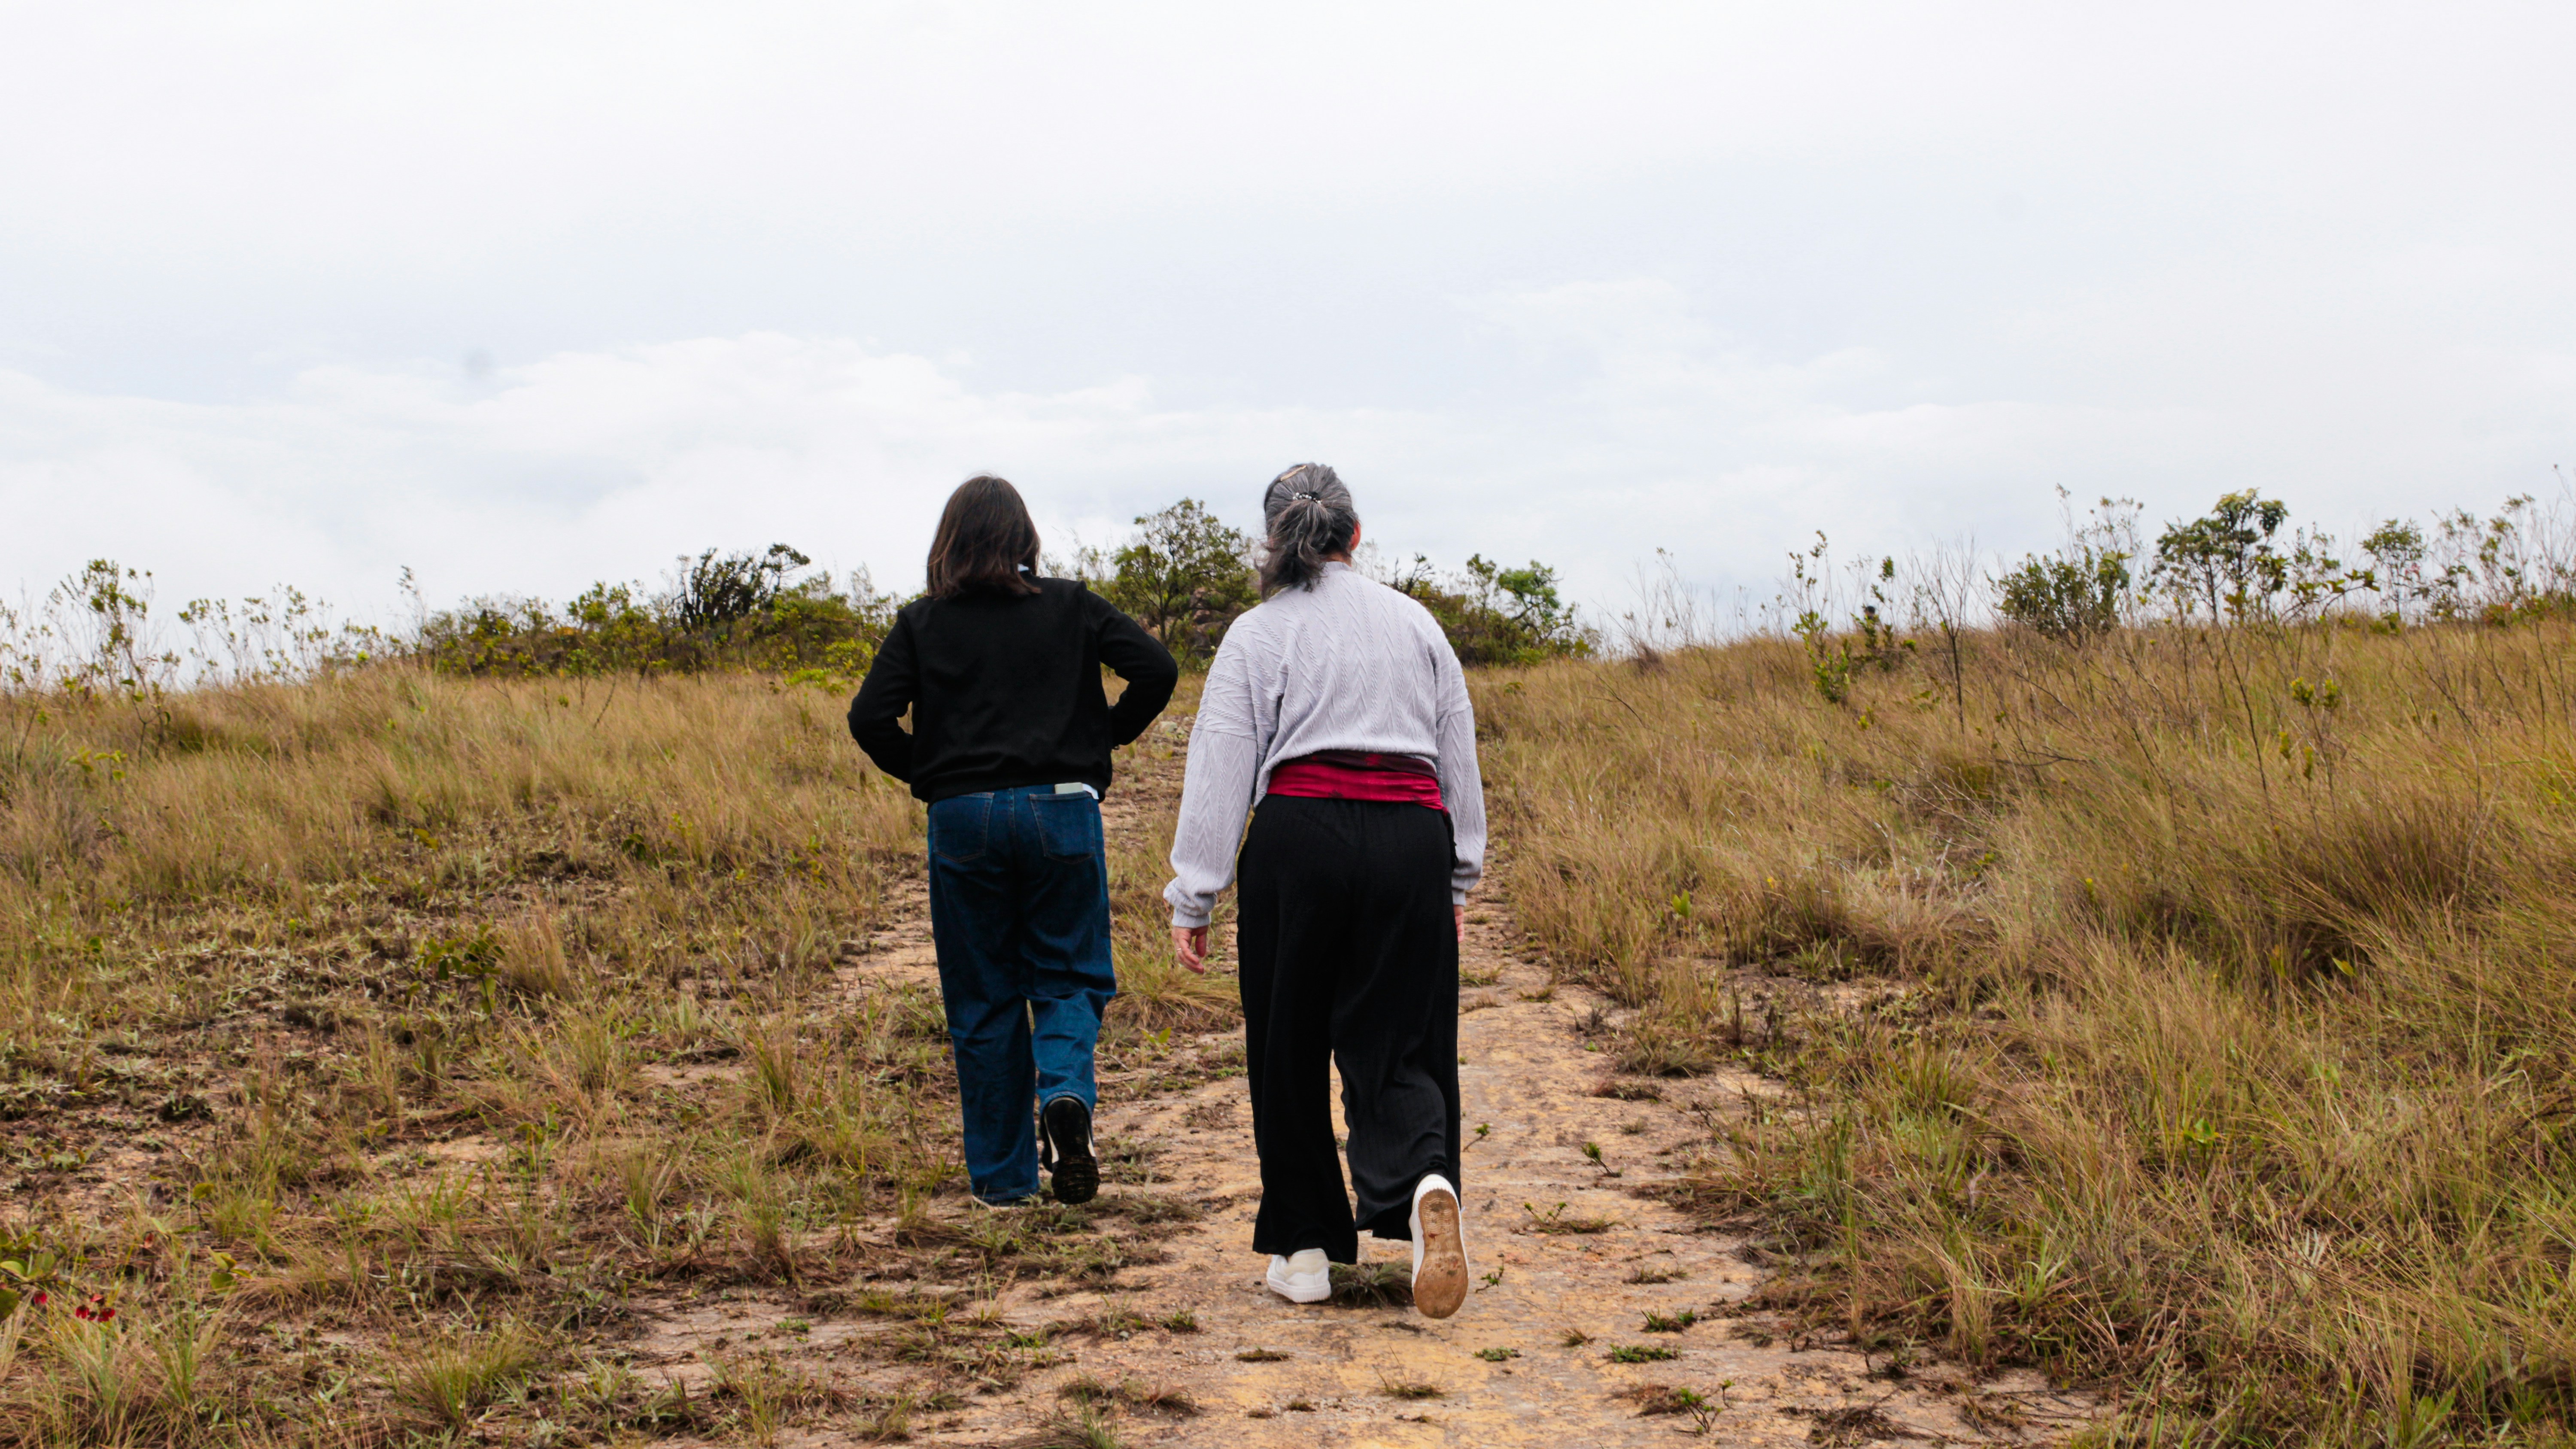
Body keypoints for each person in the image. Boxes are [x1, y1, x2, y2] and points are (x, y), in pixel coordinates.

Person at [1163, 463, 1486, 1319]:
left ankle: (1304, 1250)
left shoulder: (1258, 632)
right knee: (1404, 1038)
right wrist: (1458, 871)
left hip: (1300, 838)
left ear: (1275, 542)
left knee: (1288, 1040)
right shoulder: (1416, 623)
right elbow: (1458, 752)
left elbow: (1224, 759)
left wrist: (1194, 893)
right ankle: (1421, 1184)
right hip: (1411, 837)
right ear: (1355, 534)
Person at [849, 475, 1179, 1207]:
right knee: (1068, 977)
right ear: (1024, 539)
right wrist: (1101, 742)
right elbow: (1157, 669)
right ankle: (1064, 1094)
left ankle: (1003, 1183)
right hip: (1061, 810)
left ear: (950, 542)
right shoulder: (1072, 606)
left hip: (963, 819)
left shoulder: (921, 623)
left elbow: (869, 718)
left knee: (984, 999)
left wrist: (933, 775)